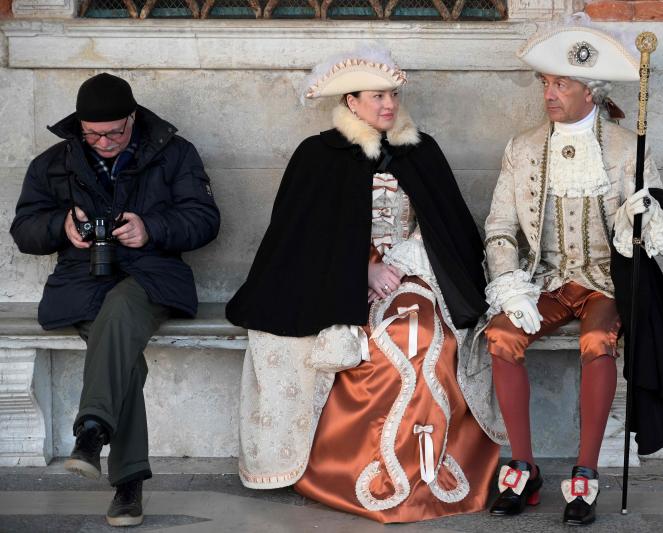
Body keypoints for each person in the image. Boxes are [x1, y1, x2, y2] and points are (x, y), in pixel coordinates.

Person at [226, 47, 506, 523]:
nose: (389, 105)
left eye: (394, 95)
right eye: (378, 96)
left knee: (420, 340)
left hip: (414, 273)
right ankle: (354, 470)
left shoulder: (422, 150)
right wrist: (361, 269)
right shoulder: (317, 155)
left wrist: (409, 258)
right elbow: (301, 237)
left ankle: (426, 472)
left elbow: (447, 226)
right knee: (363, 345)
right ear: (351, 102)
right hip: (335, 282)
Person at [481, 26, 663, 525]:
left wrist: (643, 214)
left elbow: (659, 227)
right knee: (501, 334)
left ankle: (585, 473)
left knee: (597, 343)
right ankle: (522, 468)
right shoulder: (522, 148)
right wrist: (508, 285)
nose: (548, 94)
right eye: (545, 83)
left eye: (560, 86)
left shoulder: (627, 147)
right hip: (544, 280)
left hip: (606, 281)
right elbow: (500, 226)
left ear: (590, 92)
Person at [10, 73, 220, 527]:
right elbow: (23, 229)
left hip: (153, 278)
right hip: (82, 284)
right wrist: (60, 226)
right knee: (127, 357)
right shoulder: (53, 163)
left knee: (123, 310)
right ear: (79, 126)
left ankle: (91, 432)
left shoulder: (174, 154)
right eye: (92, 133)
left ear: (132, 118)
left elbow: (204, 220)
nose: (103, 141)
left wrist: (151, 228)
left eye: (113, 132)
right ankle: (126, 484)